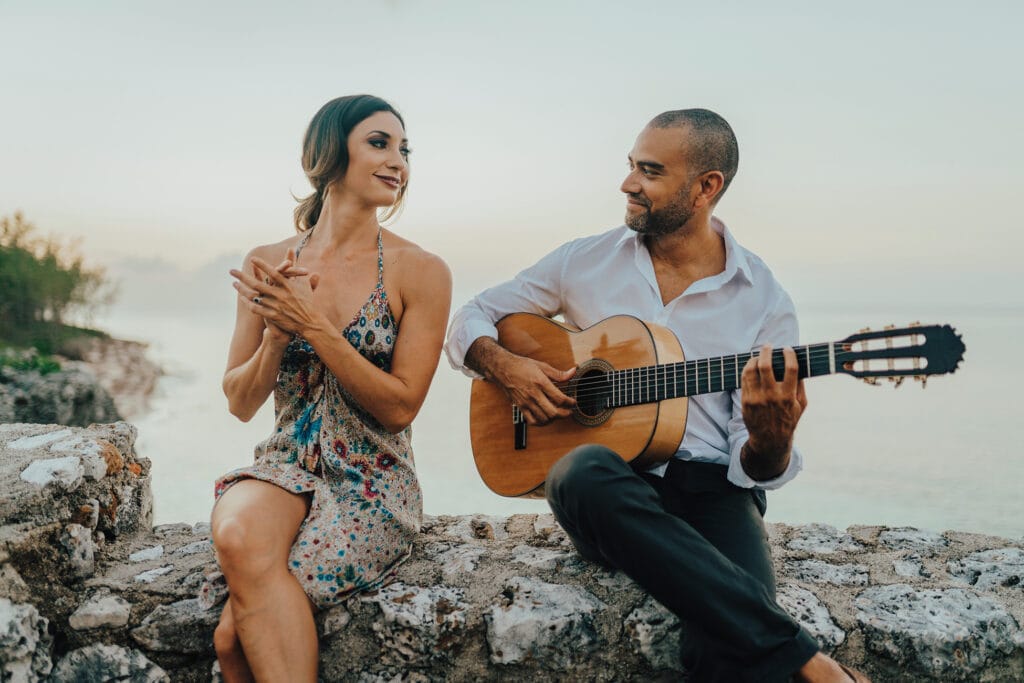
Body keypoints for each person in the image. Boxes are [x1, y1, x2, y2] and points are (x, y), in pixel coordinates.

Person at [445, 109, 869, 682]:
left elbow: (759, 467)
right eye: (631, 166)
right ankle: (808, 659)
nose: (628, 184)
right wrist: (508, 367)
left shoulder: (764, 300)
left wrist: (773, 438)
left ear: (705, 187)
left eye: (649, 171)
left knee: (725, 650)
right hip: (610, 489)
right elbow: (470, 318)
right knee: (583, 469)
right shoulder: (584, 260)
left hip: (713, 492)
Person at [209, 95, 452, 682]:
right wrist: (275, 336)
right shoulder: (268, 262)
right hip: (284, 467)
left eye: (404, 149)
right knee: (239, 533)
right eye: (379, 143)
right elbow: (240, 401)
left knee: (231, 639)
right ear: (328, 153)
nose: (398, 160)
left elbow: (399, 407)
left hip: (374, 480)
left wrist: (313, 325)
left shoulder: (420, 270)